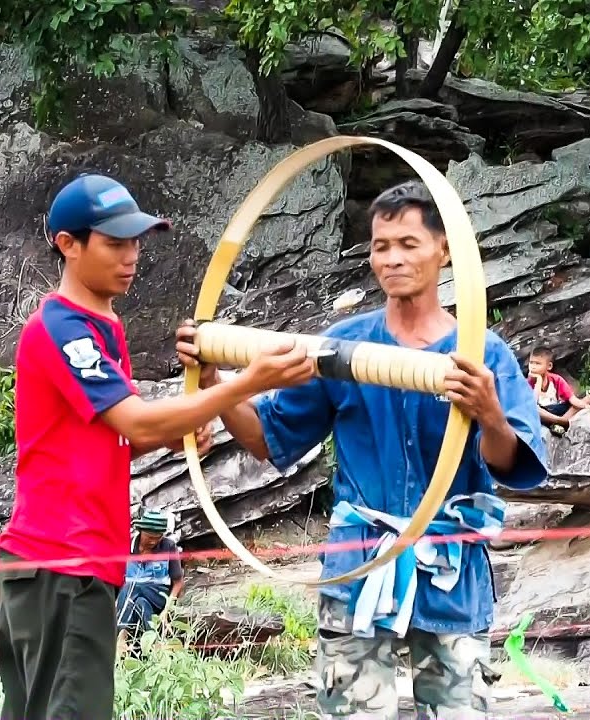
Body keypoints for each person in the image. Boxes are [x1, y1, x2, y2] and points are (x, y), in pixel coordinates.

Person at [175, 179, 549, 719]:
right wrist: (215, 383)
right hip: (359, 563)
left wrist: (489, 413)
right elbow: (267, 438)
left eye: (408, 243)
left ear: (444, 251)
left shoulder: (482, 354)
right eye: (381, 246)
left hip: (451, 568)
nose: (392, 258)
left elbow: (512, 464)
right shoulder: (341, 346)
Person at [0, 173, 316, 720]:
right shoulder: (62, 326)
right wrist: (247, 382)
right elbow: (136, 423)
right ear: (68, 245)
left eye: (137, 241)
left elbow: (109, 441)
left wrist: (172, 432)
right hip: (61, 565)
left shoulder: (104, 327)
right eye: (114, 243)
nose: (132, 255)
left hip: (65, 567)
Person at [115, 509, 185, 650]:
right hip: (132, 597)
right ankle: (154, 643)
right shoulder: (126, 545)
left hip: (159, 595)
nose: (153, 541)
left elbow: (178, 582)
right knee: (141, 602)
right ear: (140, 531)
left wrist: (167, 609)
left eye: (157, 537)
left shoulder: (168, 546)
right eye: (149, 537)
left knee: (133, 586)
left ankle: (121, 636)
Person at [525, 346, 590, 434]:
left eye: (538, 364)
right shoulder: (526, 383)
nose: (533, 367)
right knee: (534, 409)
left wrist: (586, 406)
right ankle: (561, 422)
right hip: (544, 413)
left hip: (558, 408)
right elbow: (532, 404)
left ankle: (561, 422)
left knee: (588, 396)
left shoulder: (556, 379)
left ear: (549, 366)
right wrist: (538, 382)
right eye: (531, 363)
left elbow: (572, 399)